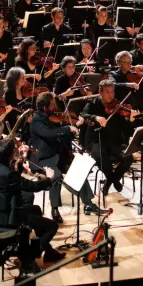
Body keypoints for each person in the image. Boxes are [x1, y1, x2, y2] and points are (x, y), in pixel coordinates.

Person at [0, 137, 63, 273]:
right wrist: (49, 178)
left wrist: (21, 159)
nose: (17, 151)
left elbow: (14, 176)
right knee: (52, 226)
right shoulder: (9, 174)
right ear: (9, 154)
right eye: (14, 151)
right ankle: (29, 259)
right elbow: (32, 186)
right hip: (12, 217)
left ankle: (48, 252)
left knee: (36, 209)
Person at [28, 91, 100, 220]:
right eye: (52, 104)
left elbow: (59, 135)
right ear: (45, 107)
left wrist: (74, 127)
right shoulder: (36, 120)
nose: (55, 106)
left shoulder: (48, 117)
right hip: (43, 158)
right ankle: (55, 210)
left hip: (57, 156)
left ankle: (88, 203)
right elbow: (49, 134)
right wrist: (67, 128)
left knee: (79, 170)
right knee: (56, 176)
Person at [81, 78, 138, 196]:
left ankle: (109, 181)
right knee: (99, 157)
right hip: (96, 139)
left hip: (114, 139)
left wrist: (131, 120)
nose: (111, 95)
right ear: (100, 92)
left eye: (112, 92)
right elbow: (84, 115)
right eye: (107, 92)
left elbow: (126, 129)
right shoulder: (92, 103)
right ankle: (114, 180)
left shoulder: (118, 106)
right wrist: (96, 118)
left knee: (128, 158)